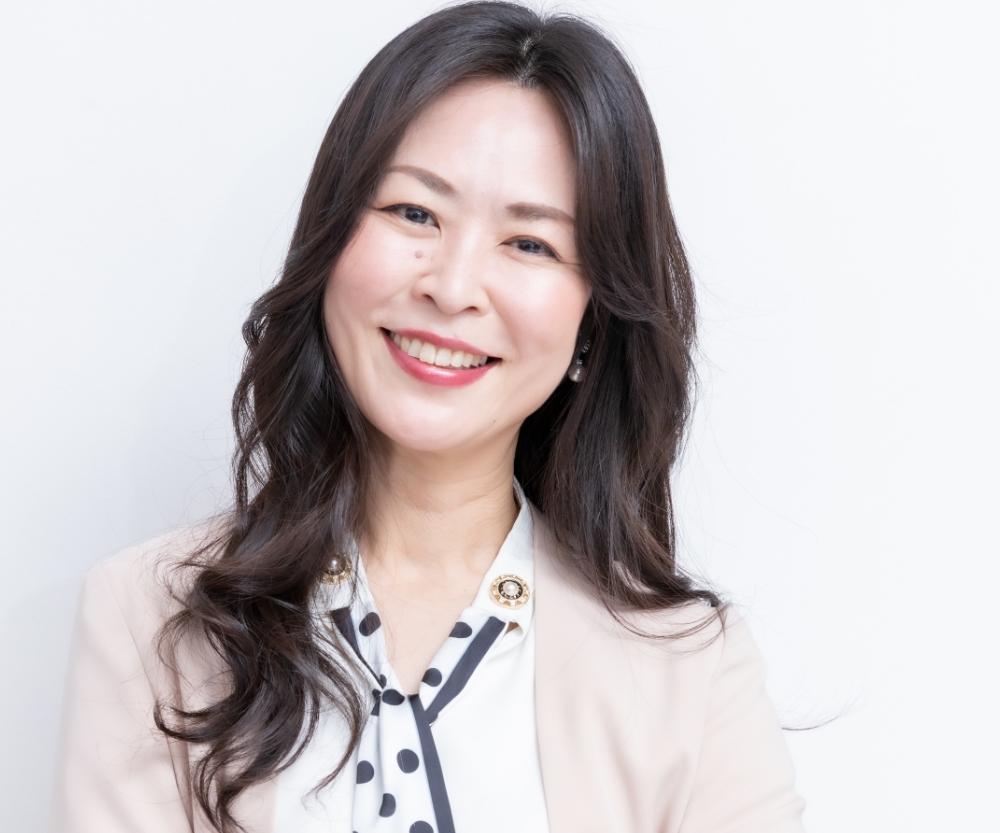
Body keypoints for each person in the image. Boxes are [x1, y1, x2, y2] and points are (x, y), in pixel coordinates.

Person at [51, 3, 805, 832]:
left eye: (530, 244)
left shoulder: (691, 671)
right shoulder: (148, 617)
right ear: (331, 238)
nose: (450, 287)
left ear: (593, 318)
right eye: (414, 212)